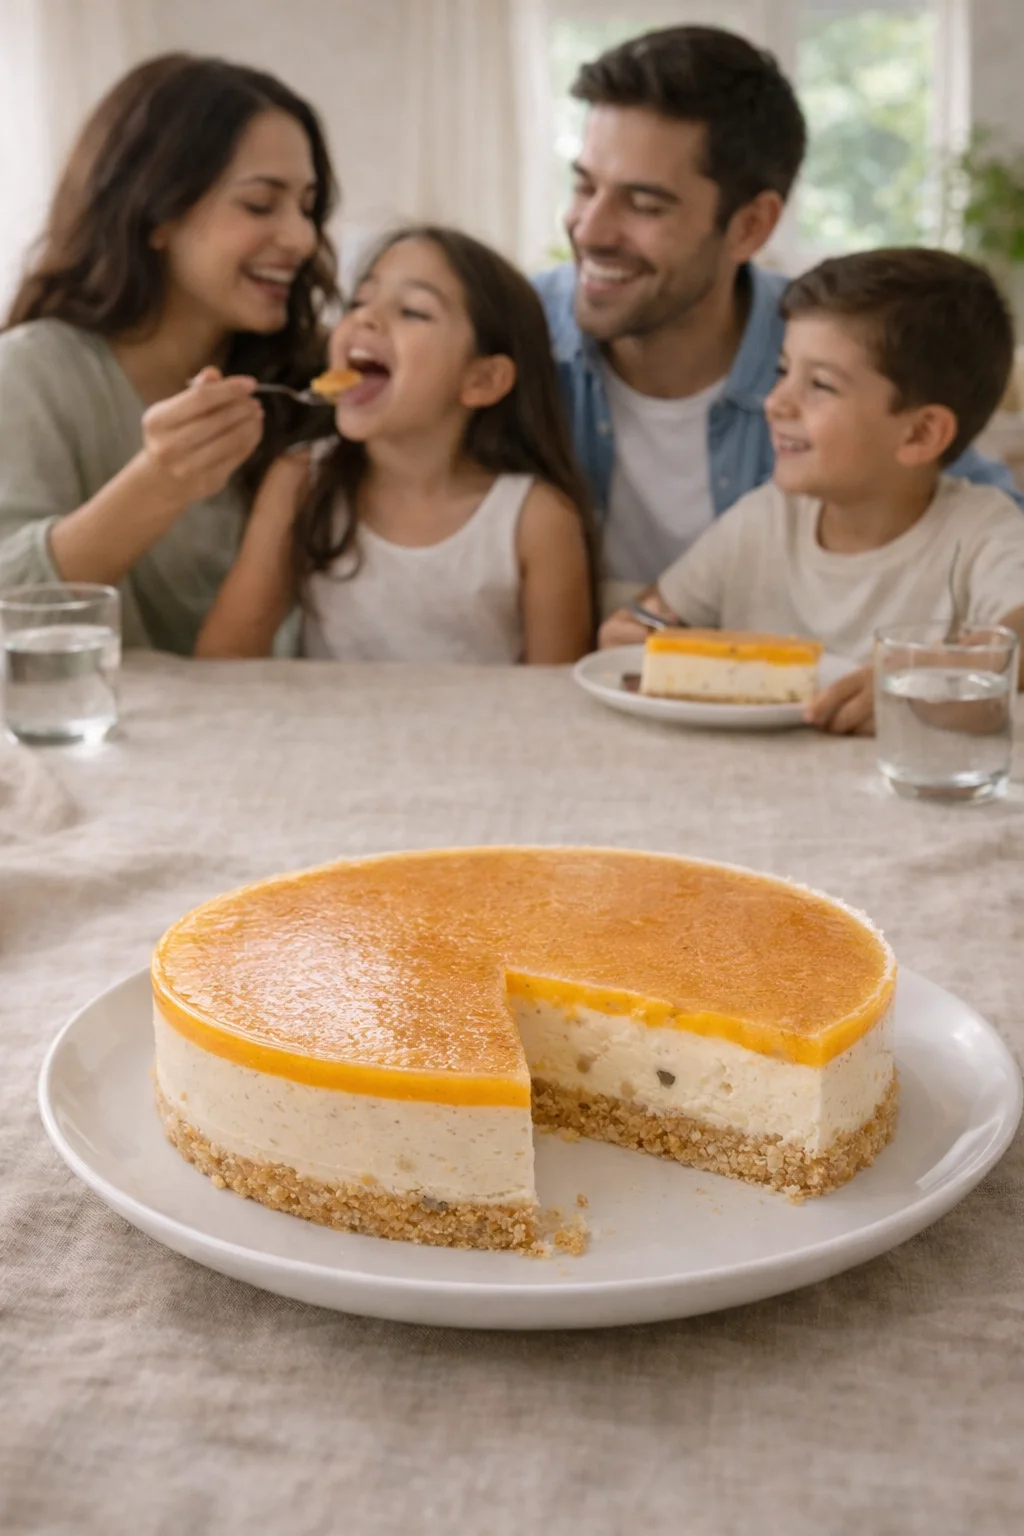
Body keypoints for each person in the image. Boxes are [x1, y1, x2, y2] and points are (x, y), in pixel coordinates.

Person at [533, 25, 1023, 611]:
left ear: (750, 227)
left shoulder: (835, 345)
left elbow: (975, 516)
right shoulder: (508, 334)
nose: (589, 230)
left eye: (644, 205)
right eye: (585, 187)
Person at [598, 248, 1024, 734]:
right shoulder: (765, 519)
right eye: (783, 371)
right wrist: (634, 633)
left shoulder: (980, 529)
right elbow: (658, 613)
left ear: (920, 435)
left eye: (820, 384)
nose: (776, 401)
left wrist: (940, 677)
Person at [0, 53, 339, 653]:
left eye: (307, 207)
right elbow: (8, 613)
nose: (302, 238)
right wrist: (159, 483)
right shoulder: (30, 374)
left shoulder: (308, 383)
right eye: (261, 204)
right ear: (156, 214)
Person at [195, 226, 594, 664]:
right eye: (359, 302)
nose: (364, 318)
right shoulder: (299, 481)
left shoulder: (537, 520)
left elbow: (556, 702)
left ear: (482, 380)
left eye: (413, 311)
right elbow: (225, 658)